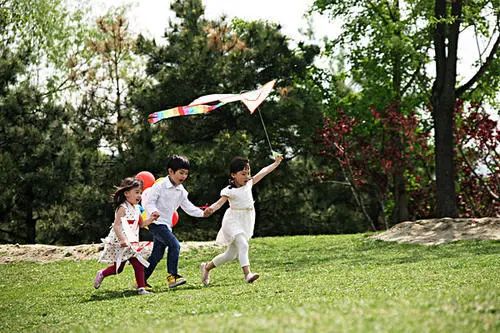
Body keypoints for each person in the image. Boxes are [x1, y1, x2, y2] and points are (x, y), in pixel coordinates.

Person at [200, 155, 283, 285]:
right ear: (233, 175)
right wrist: (210, 209)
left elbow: (264, 172)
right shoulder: (229, 190)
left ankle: (206, 267)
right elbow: (219, 203)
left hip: (246, 220)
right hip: (232, 220)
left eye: (248, 173)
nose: (247, 176)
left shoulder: (249, 183)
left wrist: (276, 163)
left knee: (230, 255)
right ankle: (247, 274)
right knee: (243, 245)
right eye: (243, 173)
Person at [142, 155, 213, 288]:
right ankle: (172, 277)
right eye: (181, 173)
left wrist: (203, 213)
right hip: (155, 223)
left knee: (157, 255)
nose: (184, 176)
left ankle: (141, 279)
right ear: (170, 172)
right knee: (175, 245)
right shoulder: (160, 186)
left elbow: (188, 208)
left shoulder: (181, 191)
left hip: (166, 225)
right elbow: (149, 202)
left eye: (186, 173)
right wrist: (153, 212)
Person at [94, 177, 160, 295]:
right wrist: (122, 239)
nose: (139, 195)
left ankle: (141, 288)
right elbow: (116, 226)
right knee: (120, 268)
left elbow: (141, 224)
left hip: (132, 243)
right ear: (126, 193)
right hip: (121, 242)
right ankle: (102, 273)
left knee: (134, 265)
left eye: (140, 192)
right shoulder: (122, 208)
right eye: (136, 192)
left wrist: (151, 219)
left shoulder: (137, 209)